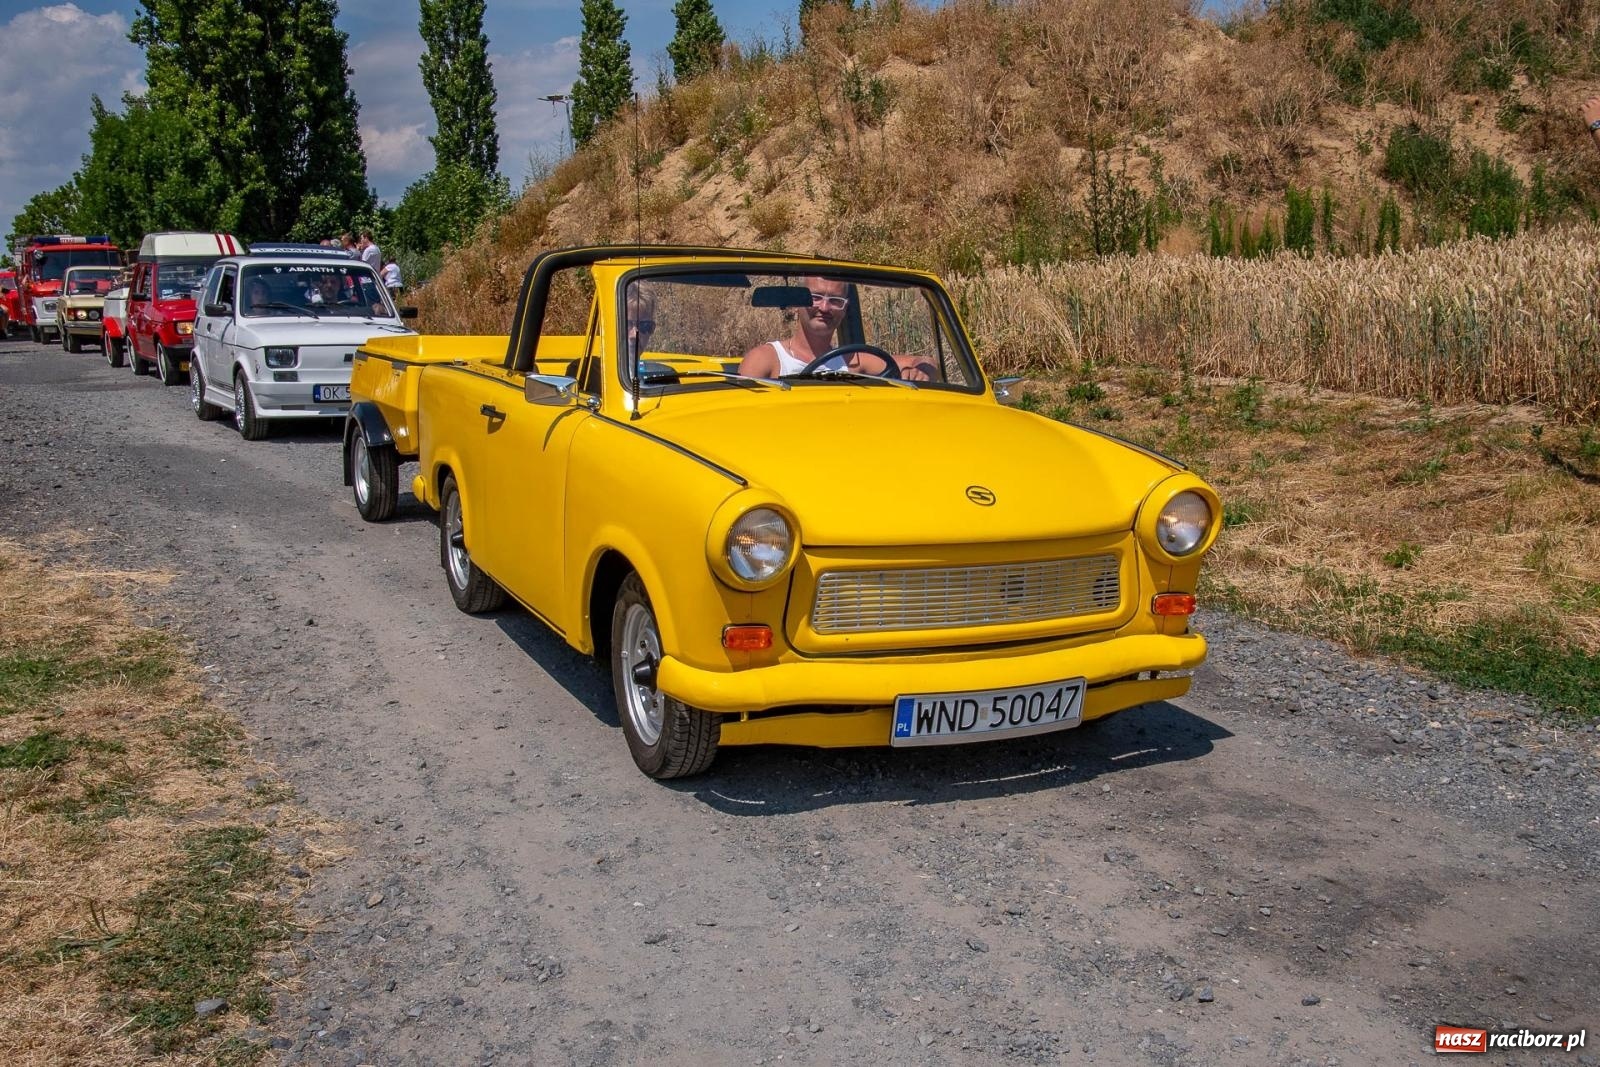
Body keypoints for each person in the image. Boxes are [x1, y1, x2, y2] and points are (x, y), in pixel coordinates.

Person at [738, 276, 852, 376]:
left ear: (845, 308)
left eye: (835, 300)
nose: (824, 307)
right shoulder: (764, 361)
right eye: (815, 297)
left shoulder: (853, 363)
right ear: (798, 301)